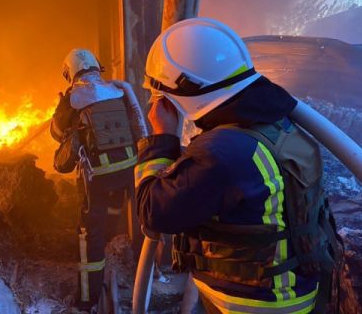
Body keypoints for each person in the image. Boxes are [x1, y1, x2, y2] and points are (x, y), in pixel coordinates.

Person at [134, 18, 341, 313]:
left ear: (181, 92)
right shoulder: (271, 120)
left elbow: (153, 212)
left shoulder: (221, 152)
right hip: (292, 291)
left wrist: (161, 138)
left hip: (253, 303)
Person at [51, 48, 147, 311]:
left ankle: (87, 298)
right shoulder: (117, 90)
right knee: (118, 207)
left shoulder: (74, 98)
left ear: (70, 72)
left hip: (97, 174)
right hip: (128, 168)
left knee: (88, 234)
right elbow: (136, 123)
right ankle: (118, 244)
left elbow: (57, 132)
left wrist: (62, 104)